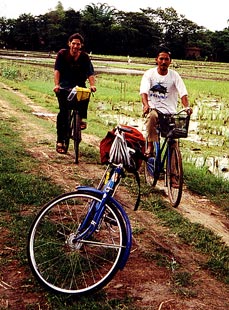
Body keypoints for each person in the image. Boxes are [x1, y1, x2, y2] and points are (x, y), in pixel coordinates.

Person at [140, 46, 192, 156]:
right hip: (154, 109)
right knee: (152, 117)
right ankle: (150, 146)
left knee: (174, 140)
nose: (163, 62)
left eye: (166, 59)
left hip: (170, 112)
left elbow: (183, 93)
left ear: (170, 61)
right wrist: (146, 105)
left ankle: (174, 170)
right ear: (156, 60)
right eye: (161, 59)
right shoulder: (149, 74)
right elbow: (144, 92)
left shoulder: (174, 76)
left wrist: (186, 107)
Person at [53, 33, 96, 154]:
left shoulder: (85, 57)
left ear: (81, 45)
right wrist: (56, 85)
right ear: (69, 44)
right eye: (73, 43)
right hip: (64, 87)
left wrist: (92, 85)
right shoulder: (62, 54)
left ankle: (81, 118)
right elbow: (57, 70)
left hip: (79, 87)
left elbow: (90, 73)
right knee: (63, 113)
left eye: (78, 44)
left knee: (86, 93)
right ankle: (60, 141)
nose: (75, 46)